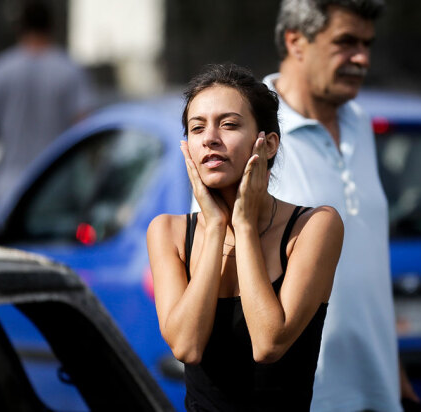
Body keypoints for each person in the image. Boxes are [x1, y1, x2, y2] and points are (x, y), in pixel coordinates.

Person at [147, 64, 344, 411]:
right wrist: (216, 227)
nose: (210, 138)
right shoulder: (168, 231)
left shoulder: (315, 226)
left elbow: (268, 344)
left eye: (229, 124)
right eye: (197, 128)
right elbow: (186, 346)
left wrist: (246, 226)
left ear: (268, 144)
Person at [264, 0, 419, 410]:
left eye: (367, 44)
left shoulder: (359, 122)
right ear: (296, 41)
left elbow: (364, 269)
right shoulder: (246, 127)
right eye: (346, 42)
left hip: (377, 392)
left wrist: (395, 374)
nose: (362, 58)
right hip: (300, 399)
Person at [0, 1, 96, 205]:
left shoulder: (1, 68)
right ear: (52, 26)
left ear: (19, 27)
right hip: (56, 187)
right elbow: (85, 126)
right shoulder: (70, 70)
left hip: (9, 185)